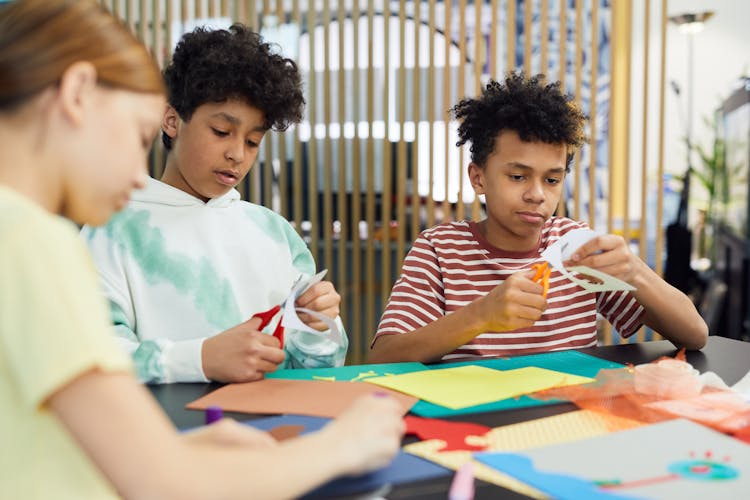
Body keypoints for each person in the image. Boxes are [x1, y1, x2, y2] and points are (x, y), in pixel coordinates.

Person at [0, 1, 404, 498]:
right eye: (136, 135)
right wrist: (344, 443)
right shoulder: (31, 238)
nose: (135, 171)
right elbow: (164, 484)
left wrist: (184, 451)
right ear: (76, 93)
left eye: (253, 140)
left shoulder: (17, 231)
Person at [369, 73, 708, 364]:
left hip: (570, 415)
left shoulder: (576, 247)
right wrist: (481, 315)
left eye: (552, 179)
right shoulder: (440, 249)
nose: (537, 195)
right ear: (478, 178)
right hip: (475, 422)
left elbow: (695, 335)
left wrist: (635, 271)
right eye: (518, 177)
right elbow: (384, 357)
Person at [81, 23, 347, 384]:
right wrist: (200, 359)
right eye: (222, 132)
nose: (237, 154)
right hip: (167, 433)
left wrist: (318, 327)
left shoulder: (273, 233)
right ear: (172, 120)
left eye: (253, 142)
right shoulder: (111, 228)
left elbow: (319, 372)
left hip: (276, 428)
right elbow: (92, 358)